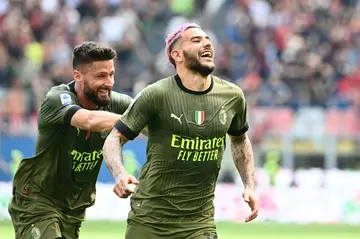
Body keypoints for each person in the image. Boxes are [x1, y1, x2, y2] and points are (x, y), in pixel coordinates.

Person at [103, 23, 259, 239]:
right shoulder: (155, 94)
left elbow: (240, 140)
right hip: (149, 221)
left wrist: (249, 184)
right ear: (177, 55)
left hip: (199, 224)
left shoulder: (232, 96)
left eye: (207, 40)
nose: (206, 43)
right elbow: (114, 138)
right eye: (196, 40)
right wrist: (119, 174)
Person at [8, 41, 138, 239]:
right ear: (77, 75)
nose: (109, 82)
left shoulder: (117, 103)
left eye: (111, 74)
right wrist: (136, 120)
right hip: (37, 200)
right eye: (100, 76)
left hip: (74, 208)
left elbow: (154, 120)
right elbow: (88, 120)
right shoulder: (57, 98)